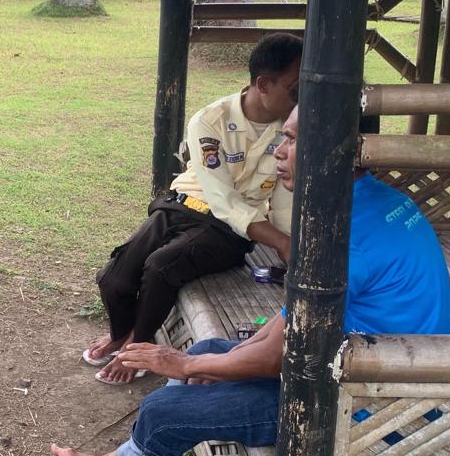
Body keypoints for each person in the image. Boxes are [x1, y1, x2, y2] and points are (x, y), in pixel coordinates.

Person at [50, 104, 450, 456]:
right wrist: (204, 363)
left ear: (336, 149)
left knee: (165, 410)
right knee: (206, 350)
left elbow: (274, 356)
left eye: (292, 139)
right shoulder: (375, 203)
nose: (279, 150)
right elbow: (288, 324)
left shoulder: (339, 239)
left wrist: (183, 364)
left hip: (366, 408)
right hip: (359, 371)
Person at [87, 33, 302, 385]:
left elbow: (282, 202)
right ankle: (121, 334)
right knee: (115, 279)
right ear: (263, 84)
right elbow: (220, 197)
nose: (302, 97)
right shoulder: (211, 120)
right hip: (180, 207)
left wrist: (288, 246)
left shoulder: (292, 130)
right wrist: (281, 241)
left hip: (229, 231)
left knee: (161, 267)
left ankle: (138, 345)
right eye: (294, 88)